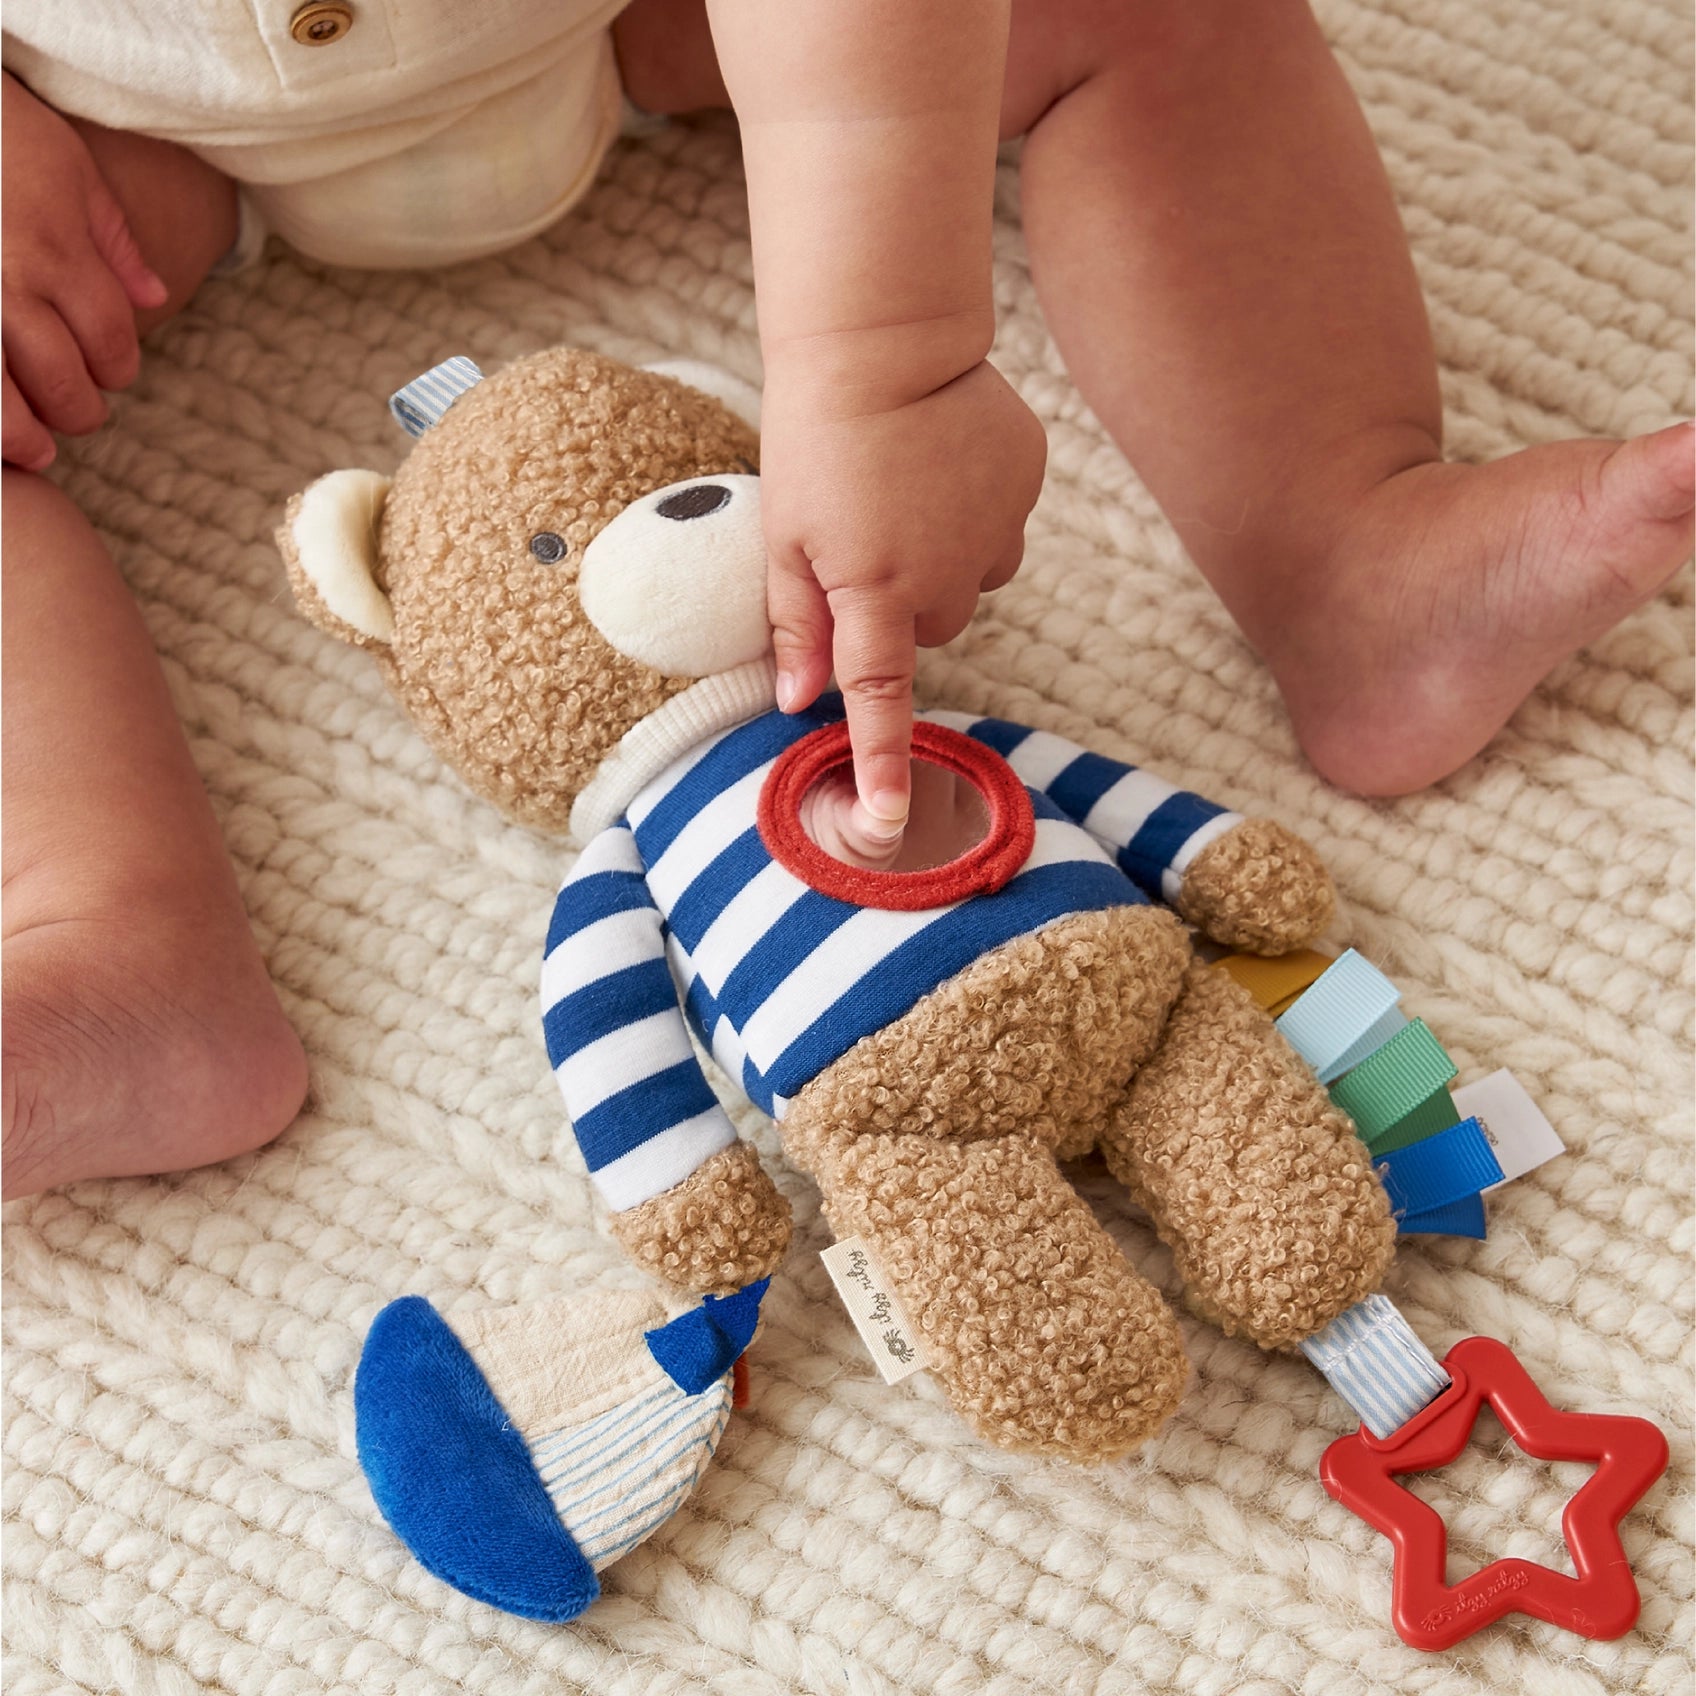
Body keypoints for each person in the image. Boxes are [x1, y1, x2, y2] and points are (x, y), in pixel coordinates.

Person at [3, 0, 1690, 1198]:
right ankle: (111, 938)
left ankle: (1350, 545)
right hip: (104, 124)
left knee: (1158, 9)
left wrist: (886, 367)